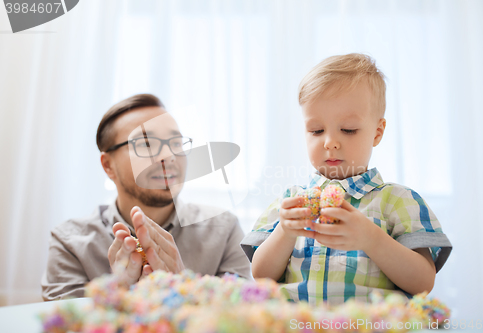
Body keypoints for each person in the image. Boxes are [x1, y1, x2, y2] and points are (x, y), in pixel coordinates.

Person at [240, 53, 452, 306]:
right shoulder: (291, 201)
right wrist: (285, 232)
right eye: (316, 131)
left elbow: (422, 283)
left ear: (377, 132)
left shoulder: (397, 201)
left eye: (348, 130)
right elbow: (261, 276)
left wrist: (371, 238)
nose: (329, 142)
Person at [42, 94, 251, 301]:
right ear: (108, 166)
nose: (168, 155)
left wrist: (183, 290)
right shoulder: (70, 243)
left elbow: (245, 318)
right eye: (145, 144)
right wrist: (117, 297)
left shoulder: (224, 230)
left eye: (176, 143)